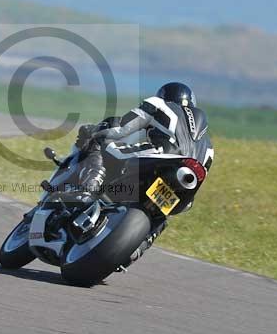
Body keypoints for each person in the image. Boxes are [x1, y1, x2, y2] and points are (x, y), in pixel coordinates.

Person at [74, 82, 215, 266]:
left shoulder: (159, 104)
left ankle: (88, 188)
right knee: (162, 215)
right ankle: (139, 246)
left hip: (161, 156)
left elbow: (122, 128)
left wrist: (95, 131)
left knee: (100, 142)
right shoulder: (209, 145)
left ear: (164, 95)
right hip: (187, 185)